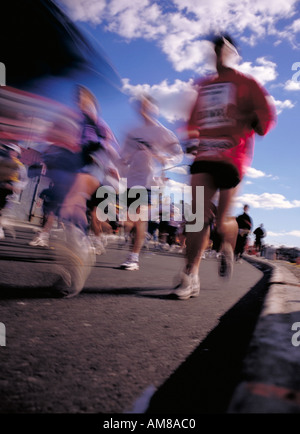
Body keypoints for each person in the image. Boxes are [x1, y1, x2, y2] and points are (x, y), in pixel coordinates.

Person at [172, 34, 276, 300]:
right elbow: (193, 119)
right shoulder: (204, 86)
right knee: (197, 214)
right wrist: (192, 140)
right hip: (205, 155)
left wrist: (250, 117)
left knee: (220, 222)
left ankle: (227, 246)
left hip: (232, 157)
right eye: (215, 50)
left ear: (233, 54)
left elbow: (266, 116)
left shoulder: (246, 83)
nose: (219, 54)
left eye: (224, 49)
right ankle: (190, 275)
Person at [119, 94, 182, 270]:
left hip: (148, 182)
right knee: (128, 222)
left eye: (147, 106)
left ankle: (134, 258)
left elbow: (177, 154)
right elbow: (122, 156)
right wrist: (125, 161)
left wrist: (163, 158)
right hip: (130, 181)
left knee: (139, 219)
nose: (143, 110)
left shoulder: (161, 132)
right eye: (141, 107)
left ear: (154, 109)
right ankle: (138, 243)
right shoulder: (133, 132)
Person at [0, 143, 28, 239]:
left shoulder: (20, 166)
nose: (10, 152)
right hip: (2, 185)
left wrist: (16, 187)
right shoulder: (2, 161)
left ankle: (1, 227)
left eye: (12, 150)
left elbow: (24, 180)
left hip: (10, 190)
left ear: (17, 153)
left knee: (3, 209)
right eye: (8, 150)